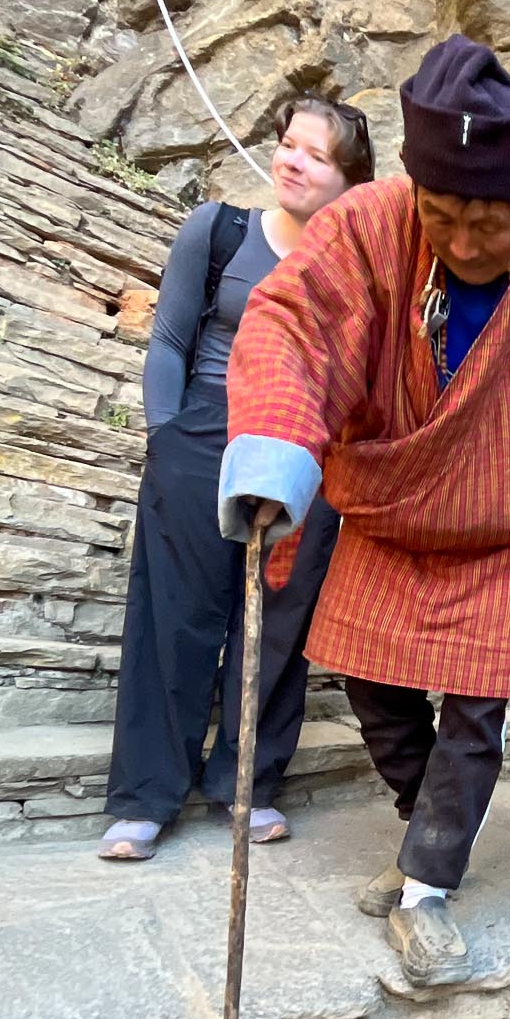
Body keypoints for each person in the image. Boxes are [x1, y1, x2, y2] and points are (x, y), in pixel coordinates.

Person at [220, 35, 510, 982]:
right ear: (415, 192)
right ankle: (420, 830)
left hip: (506, 528)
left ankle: (427, 887)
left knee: (474, 716)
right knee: (373, 692)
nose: (463, 245)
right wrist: (273, 449)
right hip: (391, 510)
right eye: (442, 218)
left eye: (487, 224)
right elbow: (293, 327)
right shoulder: (368, 226)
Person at [99, 97, 376, 862]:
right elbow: (169, 339)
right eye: (289, 144)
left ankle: (245, 782)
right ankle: (147, 793)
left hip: (304, 448)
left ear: (350, 181)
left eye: (317, 155)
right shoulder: (219, 231)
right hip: (202, 432)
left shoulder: (356, 274)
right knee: (176, 614)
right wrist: (165, 436)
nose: (293, 161)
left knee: (277, 622)